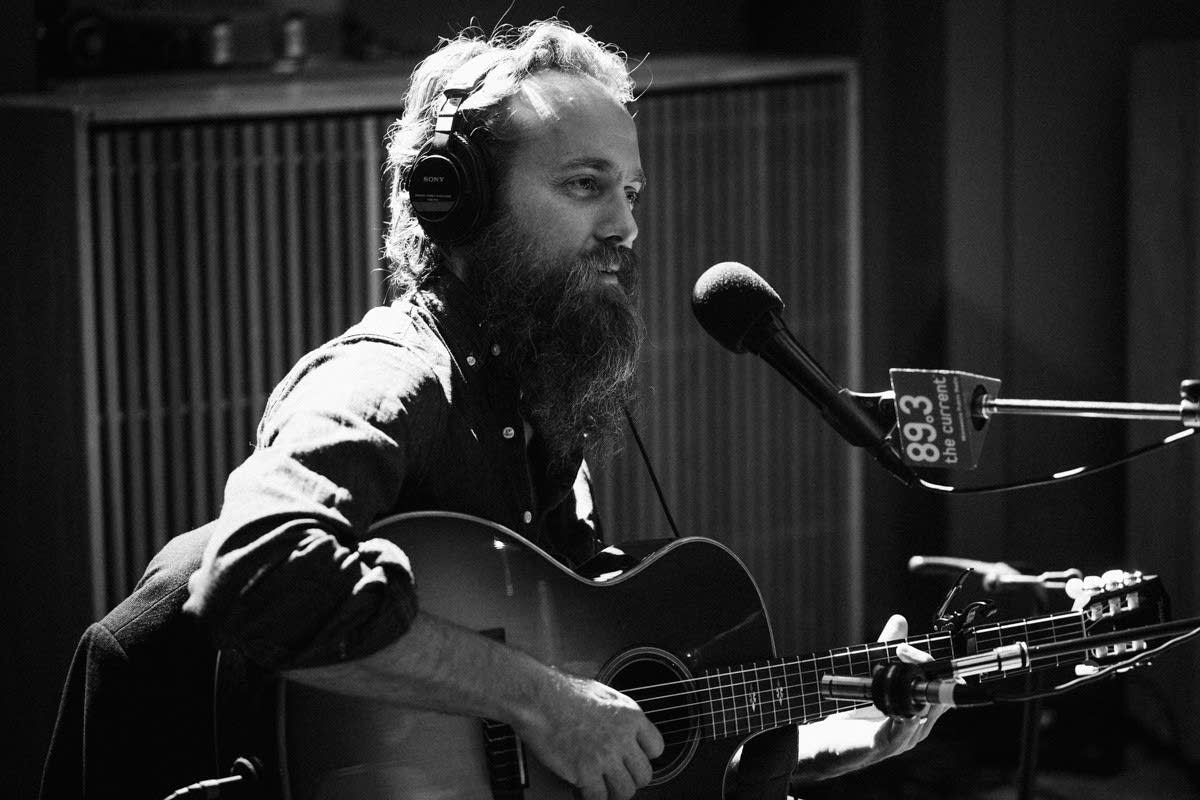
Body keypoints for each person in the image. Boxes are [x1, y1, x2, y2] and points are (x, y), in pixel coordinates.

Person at [42, 20, 943, 800]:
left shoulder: (537, 398)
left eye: (630, 193)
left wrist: (830, 742)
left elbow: (595, 734)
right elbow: (260, 570)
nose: (626, 228)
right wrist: (541, 699)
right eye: (585, 185)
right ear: (457, 204)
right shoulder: (391, 374)